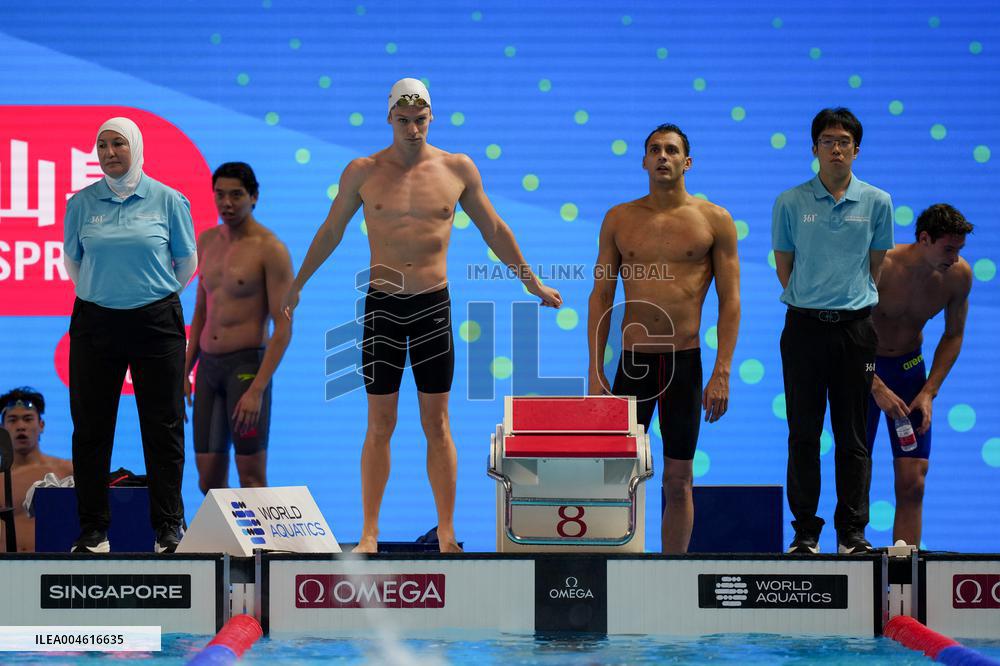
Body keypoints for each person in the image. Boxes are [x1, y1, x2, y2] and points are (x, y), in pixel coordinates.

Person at [283, 78, 561, 553]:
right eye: (404, 120)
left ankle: (447, 531)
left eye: (420, 120)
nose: (413, 129)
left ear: (432, 117)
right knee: (380, 423)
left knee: (438, 424)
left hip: (432, 306)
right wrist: (298, 282)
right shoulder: (363, 171)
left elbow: (494, 227)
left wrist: (530, 281)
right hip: (382, 309)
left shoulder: (457, 168)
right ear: (389, 118)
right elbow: (331, 230)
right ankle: (369, 533)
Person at [587, 123, 741, 554]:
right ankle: (612, 565)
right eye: (654, 150)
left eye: (671, 150)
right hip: (632, 364)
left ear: (687, 162)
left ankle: (672, 572)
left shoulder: (714, 220)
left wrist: (722, 372)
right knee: (616, 476)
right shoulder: (619, 219)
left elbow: (731, 301)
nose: (662, 157)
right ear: (643, 161)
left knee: (678, 481)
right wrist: (595, 369)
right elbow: (601, 294)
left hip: (684, 365)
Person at [63, 117, 197, 554]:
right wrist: (108, 294)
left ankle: (168, 529)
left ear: (136, 147)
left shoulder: (168, 199)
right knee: (90, 428)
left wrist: (149, 294)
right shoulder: (81, 202)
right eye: (101, 145)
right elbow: (74, 264)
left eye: (118, 144)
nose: (108, 152)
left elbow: (186, 263)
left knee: (163, 426)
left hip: (155, 322)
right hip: (95, 322)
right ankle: (94, 532)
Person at [772, 107, 894, 554]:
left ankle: (852, 533)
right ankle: (805, 532)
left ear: (856, 150)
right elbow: (785, 269)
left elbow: (874, 267)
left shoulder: (878, 202)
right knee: (803, 432)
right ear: (814, 149)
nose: (836, 148)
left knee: (853, 434)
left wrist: (844, 302)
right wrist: (816, 300)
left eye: (844, 141)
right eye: (827, 141)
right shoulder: (790, 202)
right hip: (803, 329)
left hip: (855, 330)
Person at [868, 204, 973, 547]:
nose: (955, 258)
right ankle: (849, 553)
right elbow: (846, 328)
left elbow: (954, 334)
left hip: (910, 373)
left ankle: (903, 576)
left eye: (959, 250)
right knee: (854, 472)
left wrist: (929, 391)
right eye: (949, 249)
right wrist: (872, 383)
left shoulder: (958, 277)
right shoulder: (879, 265)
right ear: (924, 239)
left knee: (913, 481)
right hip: (864, 370)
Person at [185, 162, 294, 492]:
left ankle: (260, 546)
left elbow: (283, 328)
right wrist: (185, 370)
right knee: (209, 482)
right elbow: (201, 311)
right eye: (220, 195)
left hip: (246, 369)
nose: (227, 204)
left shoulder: (270, 249)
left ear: (254, 197)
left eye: (236, 195)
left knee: (251, 478)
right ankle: (227, 545)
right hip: (208, 369)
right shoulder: (205, 241)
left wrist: (257, 389)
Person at [0, 388, 73, 552]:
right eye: (12, 420)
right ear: (2, 428)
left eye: (27, 419)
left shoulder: (67, 471)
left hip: (51, 571)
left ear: (41, 425)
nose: (20, 426)